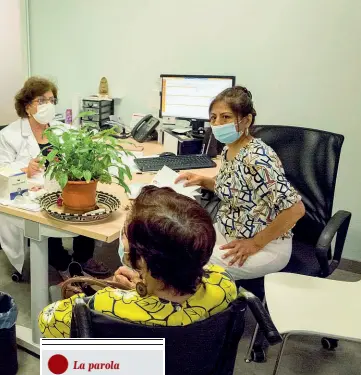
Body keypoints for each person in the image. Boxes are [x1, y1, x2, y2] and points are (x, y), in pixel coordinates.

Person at [38, 186, 237, 338]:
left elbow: (47, 321)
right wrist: (143, 287)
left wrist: (124, 294)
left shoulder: (104, 305)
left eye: (125, 233)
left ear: (141, 258)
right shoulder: (224, 284)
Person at [175, 86, 305, 280]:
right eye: (213, 117)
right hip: (229, 231)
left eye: (226, 117)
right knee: (176, 247)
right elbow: (236, 188)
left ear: (246, 120)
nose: (218, 123)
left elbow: (296, 210)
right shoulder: (229, 151)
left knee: (191, 265)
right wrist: (204, 181)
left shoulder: (258, 159)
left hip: (265, 245)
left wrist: (255, 243)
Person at [0, 77, 110, 279]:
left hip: (62, 186)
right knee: (47, 213)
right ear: (27, 107)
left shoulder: (62, 130)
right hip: (30, 190)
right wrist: (26, 169)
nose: (48, 105)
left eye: (51, 100)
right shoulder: (10, 135)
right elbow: (2, 171)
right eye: (41, 101)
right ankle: (60, 261)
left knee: (87, 200)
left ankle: (83, 257)